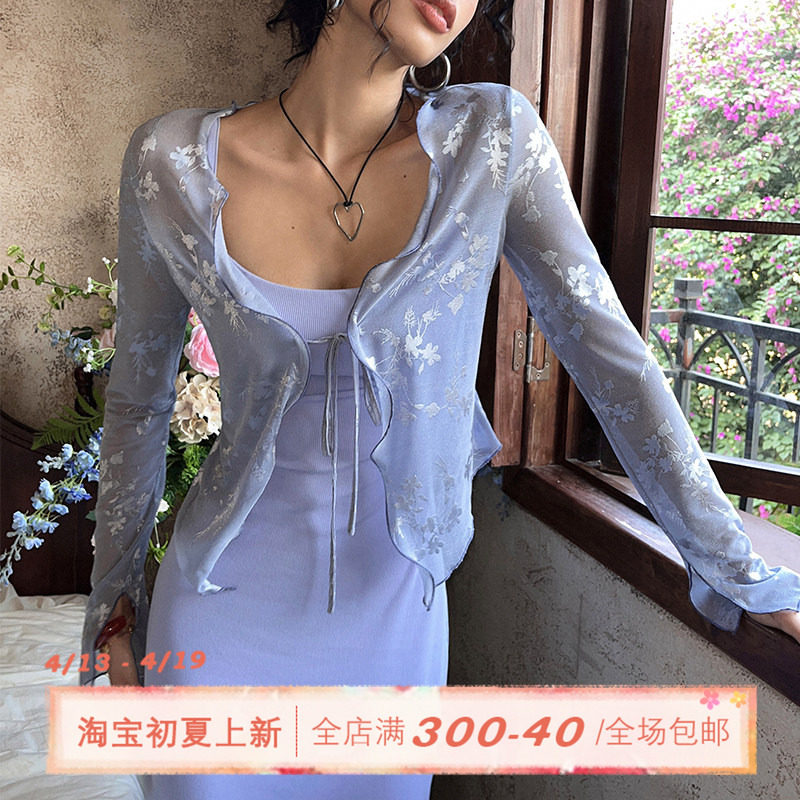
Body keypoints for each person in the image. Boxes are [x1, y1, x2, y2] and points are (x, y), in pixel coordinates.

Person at [81, 0, 800, 797]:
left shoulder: (491, 141)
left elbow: (611, 361)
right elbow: (138, 403)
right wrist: (115, 603)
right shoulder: (171, 162)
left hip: (393, 624)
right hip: (218, 619)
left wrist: (736, 567)